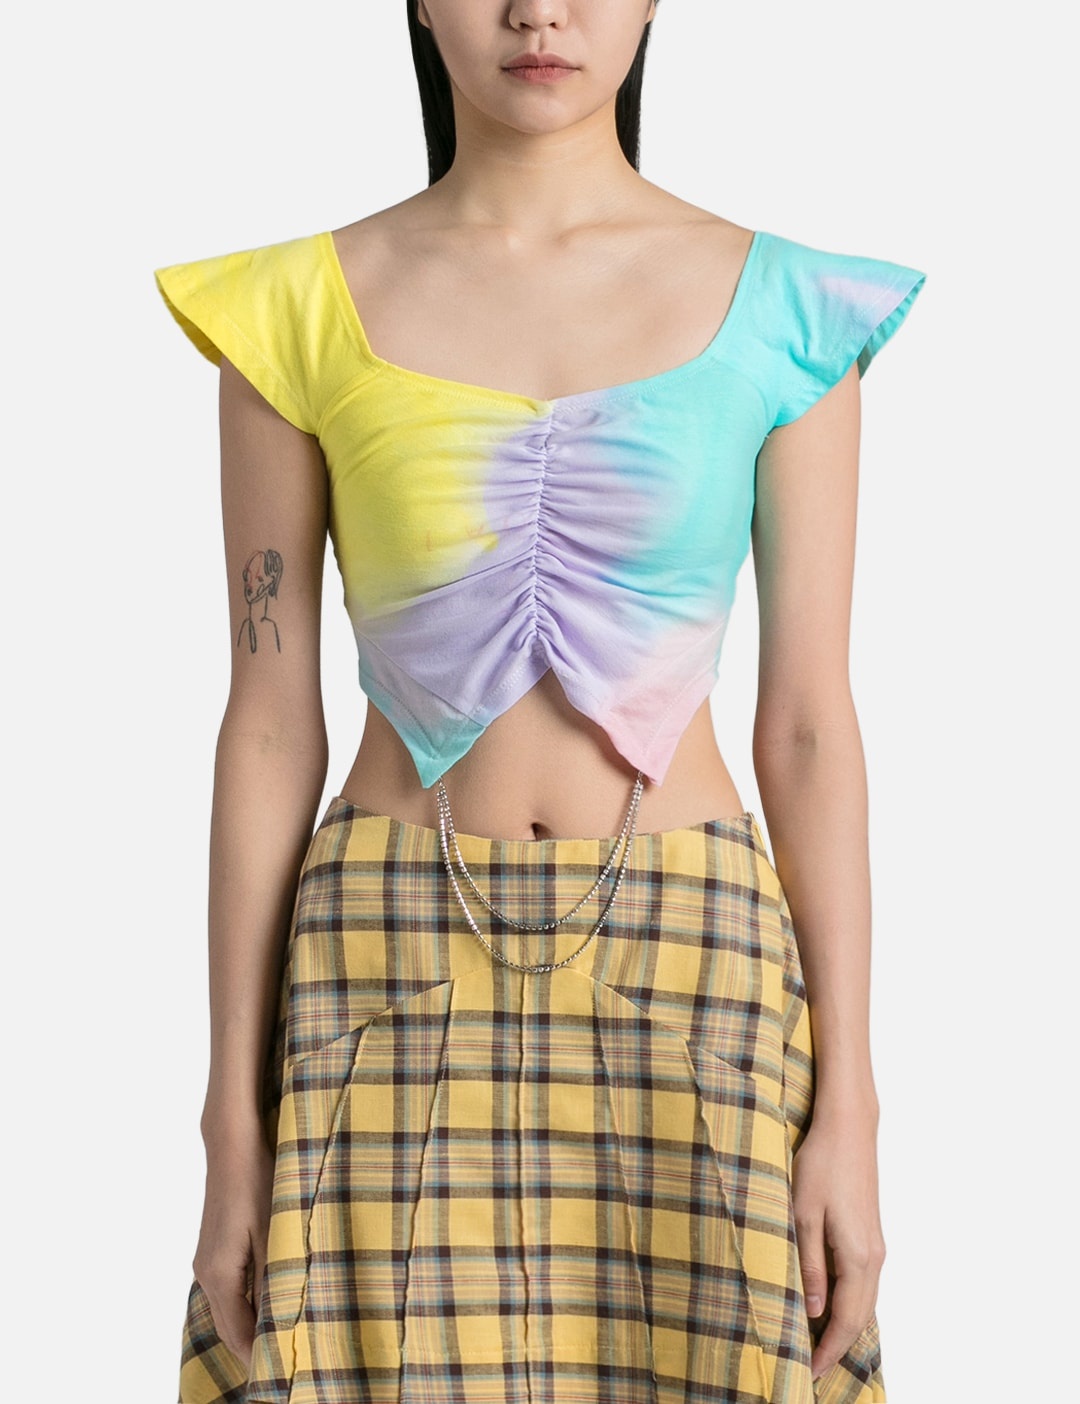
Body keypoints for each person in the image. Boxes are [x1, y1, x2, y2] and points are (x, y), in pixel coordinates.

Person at [154, 3, 925, 1401]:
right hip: (382, 963)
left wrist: (854, 1110)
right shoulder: (295, 306)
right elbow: (267, 719)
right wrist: (229, 1119)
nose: (537, 11)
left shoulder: (786, 305)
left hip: (696, 967)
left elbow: (810, 725)